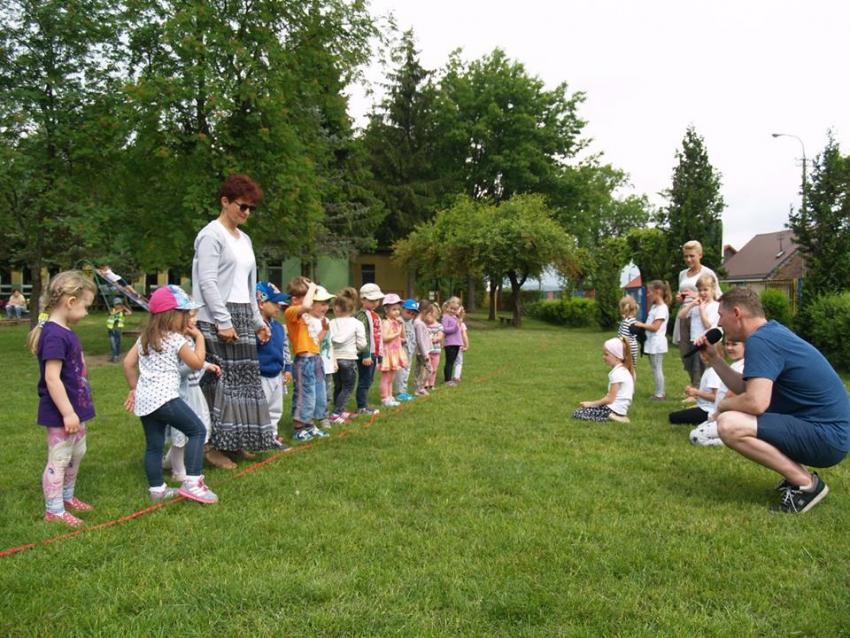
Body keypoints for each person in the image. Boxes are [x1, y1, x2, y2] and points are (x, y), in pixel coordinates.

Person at [697, 286, 850, 513]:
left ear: (737, 313)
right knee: (736, 418)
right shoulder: (770, 334)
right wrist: (715, 359)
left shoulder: (761, 341)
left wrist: (723, 406)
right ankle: (797, 478)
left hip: (828, 437)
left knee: (729, 425)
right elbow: (746, 388)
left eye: (721, 315)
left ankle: (807, 485)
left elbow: (756, 403)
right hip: (829, 432)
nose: (719, 323)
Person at [192, 174, 275, 469]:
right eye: (243, 206)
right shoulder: (210, 235)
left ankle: (235, 442)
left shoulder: (245, 239)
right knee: (220, 383)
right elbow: (208, 282)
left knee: (244, 382)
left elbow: (248, 286)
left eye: (252, 208)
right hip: (216, 317)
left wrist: (257, 321)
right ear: (225, 202)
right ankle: (211, 446)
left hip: (242, 314)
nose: (247, 212)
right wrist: (223, 320)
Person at [123, 286, 219, 504]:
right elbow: (196, 363)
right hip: (166, 398)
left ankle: (157, 491)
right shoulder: (176, 339)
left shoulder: (144, 338)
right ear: (171, 315)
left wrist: (133, 389)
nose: (187, 318)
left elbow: (128, 363)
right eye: (184, 313)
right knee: (197, 430)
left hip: (146, 400)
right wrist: (199, 338)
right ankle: (193, 483)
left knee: (154, 445)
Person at [27, 271, 97, 527]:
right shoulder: (54, 335)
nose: (86, 312)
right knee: (59, 458)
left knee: (77, 453)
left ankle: (67, 497)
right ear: (71, 301)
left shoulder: (64, 331)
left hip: (76, 408)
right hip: (62, 412)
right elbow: (52, 378)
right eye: (86, 306)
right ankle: (54, 510)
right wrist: (68, 413)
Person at [163, 311, 221, 479]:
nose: (195, 320)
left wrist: (206, 365)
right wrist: (197, 365)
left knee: (194, 429)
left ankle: (169, 462)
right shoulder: (173, 341)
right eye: (190, 317)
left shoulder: (188, 339)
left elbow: (196, 359)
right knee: (179, 433)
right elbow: (179, 370)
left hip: (194, 392)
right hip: (181, 394)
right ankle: (178, 471)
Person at [284, 276, 329, 442]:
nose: (312, 301)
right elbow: (306, 305)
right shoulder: (291, 311)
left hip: (315, 359)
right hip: (304, 362)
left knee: (317, 395)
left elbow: (315, 341)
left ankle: (309, 425)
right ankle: (299, 429)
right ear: (295, 299)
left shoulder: (307, 318)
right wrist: (312, 287)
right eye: (309, 297)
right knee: (305, 394)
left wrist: (324, 330)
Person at [672, 240, 721, 370]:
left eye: (692, 256)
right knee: (686, 355)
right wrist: (680, 299)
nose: (688, 259)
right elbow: (681, 295)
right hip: (685, 314)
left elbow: (718, 295)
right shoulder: (682, 274)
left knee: (701, 356)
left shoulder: (708, 273)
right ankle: (694, 380)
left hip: (702, 316)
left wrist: (698, 296)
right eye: (686, 256)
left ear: (700, 255)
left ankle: (703, 381)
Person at [255, 282, 293, 449]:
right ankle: (258, 438)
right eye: (275, 302)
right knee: (260, 409)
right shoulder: (254, 327)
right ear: (261, 303)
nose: (279, 306)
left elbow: (285, 348)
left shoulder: (278, 327)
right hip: (261, 375)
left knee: (275, 408)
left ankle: (271, 436)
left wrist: (288, 368)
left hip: (276, 374)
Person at [689, 338, 745, 447]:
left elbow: (731, 395)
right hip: (722, 415)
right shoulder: (735, 365)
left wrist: (717, 414)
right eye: (727, 344)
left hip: (728, 416)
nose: (729, 348)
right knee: (699, 428)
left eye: (734, 344)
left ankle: (736, 442)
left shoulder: (742, 367)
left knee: (695, 436)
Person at [572, 337, 634, 423]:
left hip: (613, 409)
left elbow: (610, 399)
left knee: (578, 413)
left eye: (606, 354)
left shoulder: (618, 373)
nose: (603, 357)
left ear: (617, 356)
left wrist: (591, 404)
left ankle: (616, 418)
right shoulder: (622, 370)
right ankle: (616, 417)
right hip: (620, 410)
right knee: (582, 411)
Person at [329, 288, 366, 424]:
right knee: (348, 387)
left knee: (338, 386)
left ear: (336, 308)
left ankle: (339, 409)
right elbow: (362, 344)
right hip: (349, 359)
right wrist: (357, 348)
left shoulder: (331, 323)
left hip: (334, 359)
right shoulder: (357, 323)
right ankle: (336, 413)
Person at [677, 273, 720, 386]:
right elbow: (681, 316)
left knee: (705, 368)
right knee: (693, 367)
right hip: (694, 341)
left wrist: (701, 310)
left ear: (713, 290)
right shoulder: (696, 305)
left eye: (705, 290)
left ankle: (703, 390)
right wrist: (691, 304)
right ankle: (696, 388)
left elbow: (707, 325)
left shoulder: (715, 306)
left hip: (707, 342)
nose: (702, 293)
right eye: (700, 290)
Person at [304, 285, 336, 429]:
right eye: (322, 304)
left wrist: (334, 360)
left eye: (327, 304)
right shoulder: (308, 321)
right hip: (314, 363)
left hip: (327, 364)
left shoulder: (326, 320)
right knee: (312, 392)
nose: (325, 307)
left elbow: (330, 343)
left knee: (326, 393)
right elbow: (314, 342)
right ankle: (309, 418)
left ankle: (324, 417)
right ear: (311, 304)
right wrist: (323, 330)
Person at [634, 280, 671, 400]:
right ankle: (659, 392)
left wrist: (640, 325)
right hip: (651, 342)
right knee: (655, 368)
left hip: (657, 344)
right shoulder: (655, 307)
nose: (647, 295)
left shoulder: (662, 309)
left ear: (658, 292)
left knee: (657, 368)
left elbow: (655, 327)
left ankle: (660, 394)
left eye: (649, 292)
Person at [355, 282, 384, 416]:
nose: (375, 303)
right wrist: (366, 354)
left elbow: (378, 336)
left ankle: (364, 404)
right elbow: (363, 335)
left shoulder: (375, 315)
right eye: (372, 300)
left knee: (369, 379)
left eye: (377, 300)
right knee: (365, 379)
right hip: (365, 354)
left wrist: (380, 356)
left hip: (374, 353)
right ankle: (362, 406)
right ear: (363, 300)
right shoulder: (362, 316)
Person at [668, 360, 721, 425]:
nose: (704, 357)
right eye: (702, 355)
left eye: (708, 355)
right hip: (706, 407)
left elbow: (716, 397)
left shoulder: (713, 372)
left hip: (709, 411)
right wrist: (694, 393)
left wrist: (696, 392)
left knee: (673, 417)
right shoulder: (710, 369)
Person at [379, 293, 408, 407]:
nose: (397, 312)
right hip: (388, 353)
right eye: (394, 309)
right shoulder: (386, 323)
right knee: (386, 377)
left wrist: (402, 326)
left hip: (395, 352)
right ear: (386, 310)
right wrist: (396, 334)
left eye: (398, 309)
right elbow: (384, 338)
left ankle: (390, 396)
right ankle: (384, 398)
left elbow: (403, 338)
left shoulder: (396, 322)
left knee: (391, 377)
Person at [394, 298, 419, 400]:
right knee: (401, 371)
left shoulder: (411, 322)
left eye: (413, 313)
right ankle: (400, 392)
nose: (410, 315)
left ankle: (403, 391)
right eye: (408, 312)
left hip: (410, 350)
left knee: (407, 371)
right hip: (401, 350)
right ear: (402, 309)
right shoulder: (399, 321)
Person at [413, 300, 435, 396]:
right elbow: (420, 340)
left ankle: (418, 388)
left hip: (422, 351)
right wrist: (425, 354)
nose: (430, 316)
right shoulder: (418, 323)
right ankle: (420, 388)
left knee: (421, 369)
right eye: (430, 314)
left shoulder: (419, 322)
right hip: (422, 352)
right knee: (428, 369)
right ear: (424, 311)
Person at [441, 297, 463, 386]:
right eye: (451, 308)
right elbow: (444, 329)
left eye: (455, 309)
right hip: (450, 343)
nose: (453, 311)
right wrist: (455, 327)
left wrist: (461, 343)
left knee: (452, 362)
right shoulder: (445, 317)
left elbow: (459, 332)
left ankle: (450, 379)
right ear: (447, 307)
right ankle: (447, 380)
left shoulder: (455, 317)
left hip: (456, 343)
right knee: (449, 362)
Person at [107, 297, 132, 363]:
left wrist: (124, 308)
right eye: (116, 304)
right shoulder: (112, 310)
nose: (118, 306)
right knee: (113, 344)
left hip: (118, 330)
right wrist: (119, 310)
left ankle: (116, 356)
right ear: (114, 305)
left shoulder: (122, 313)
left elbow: (130, 313)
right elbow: (112, 314)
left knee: (117, 343)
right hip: (111, 330)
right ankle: (114, 356)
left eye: (119, 304)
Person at [617, 296, 639, 368]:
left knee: (625, 368)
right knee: (631, 367)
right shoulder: (632, 320)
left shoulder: (626, 321)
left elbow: (624, 337)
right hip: (633, 347)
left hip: (627, 347)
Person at [425, 304, 443, 390]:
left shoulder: (439, 326)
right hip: (427, 351)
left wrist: (436, 338)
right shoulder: (425, 325)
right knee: (427, 368)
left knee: (434, 369)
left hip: (436, 352)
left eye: (430, 315)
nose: (427, 318)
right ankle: (425, 383)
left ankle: (431, 384)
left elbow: (440, 336)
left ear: (435, 315)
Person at [452, 305, 470, 383]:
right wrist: (467, 345)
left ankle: (449, 376)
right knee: (459, 361)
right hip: (459, 345)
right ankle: (456, 376)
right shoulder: (461, 324)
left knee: (451, 361)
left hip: (450, 344)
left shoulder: (450, 322)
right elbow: (464, 335)